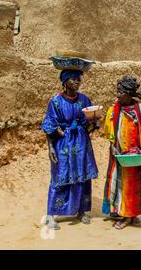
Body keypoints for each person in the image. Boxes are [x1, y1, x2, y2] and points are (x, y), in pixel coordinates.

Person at [41, 70, 99, 230]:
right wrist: (51, 148)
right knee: (59, 176)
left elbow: (89, 125)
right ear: (65, 82)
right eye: (73, 79)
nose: (77, 82)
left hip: (81, 143)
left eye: (78, 79)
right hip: (63, 144)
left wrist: (93, 121)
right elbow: (49, 124)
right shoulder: (56, 102)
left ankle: (81, 211)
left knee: (83, 175)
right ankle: (51, 215)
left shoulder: (84, 99)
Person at [102, 76, 141, 230]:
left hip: (137, 155)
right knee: (123, 184)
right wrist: (112, 146)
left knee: (136, 184)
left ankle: (132, 214)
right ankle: (125, 215)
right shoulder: (114, 110)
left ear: (128, 94)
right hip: (120, 154)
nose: (117, 95)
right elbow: (110, 133)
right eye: (117, 91)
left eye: (120, 92)